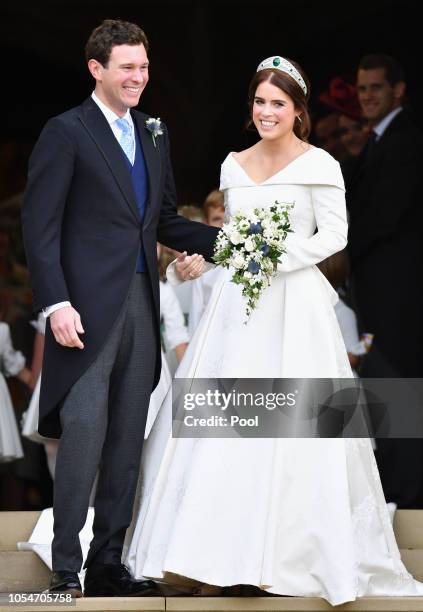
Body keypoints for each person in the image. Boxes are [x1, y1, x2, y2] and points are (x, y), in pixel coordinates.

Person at [125, 56, 423, 606]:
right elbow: (230, 239)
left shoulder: (322, 165)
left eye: (277, 103)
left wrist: (273, 257)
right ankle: (212, 555)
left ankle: (287, 555)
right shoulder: (233, 164)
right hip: (237, 309)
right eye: (259, 102)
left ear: (297, 110)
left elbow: (334, 236)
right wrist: (203, 261)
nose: (266, 112)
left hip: (298, 310)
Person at [21, 19, 218, 598]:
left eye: (145, 67)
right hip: (81, 308)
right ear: (96, 69)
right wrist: (54, 301)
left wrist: (233, 243)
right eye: (128, 67)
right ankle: (66, 567)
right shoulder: (65, 131)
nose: (139, 77)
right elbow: (41, 226)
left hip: (141, 302)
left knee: (129, 435)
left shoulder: (155, 133)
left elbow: (161, 221)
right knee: (83, 432)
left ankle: (109, 563)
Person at [347, 54, 423, 509]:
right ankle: (397, 485)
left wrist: (334, 247)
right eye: (362, 90)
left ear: (398, 90)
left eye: (376, 88)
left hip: (400, 293)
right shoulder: (375, 141)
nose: (367, 97)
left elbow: (383, 215)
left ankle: (408, 492)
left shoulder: (407, 142)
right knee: (385, 385)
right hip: (376, 292)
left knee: (400, 384)